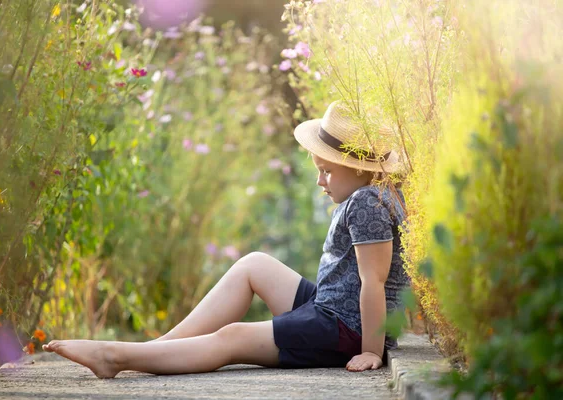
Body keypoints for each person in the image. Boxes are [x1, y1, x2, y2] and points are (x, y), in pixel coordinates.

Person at [42, 100, 409, 378]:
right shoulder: (371, 195)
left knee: (233, 337)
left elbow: (373, 282)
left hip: (345, 330)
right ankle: (156, 350)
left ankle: (115, 358)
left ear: (360, 168)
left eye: (327, 171)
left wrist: (372, 352)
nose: (320, 181)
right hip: (333, 309)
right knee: (254, 265)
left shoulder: (367, 203)